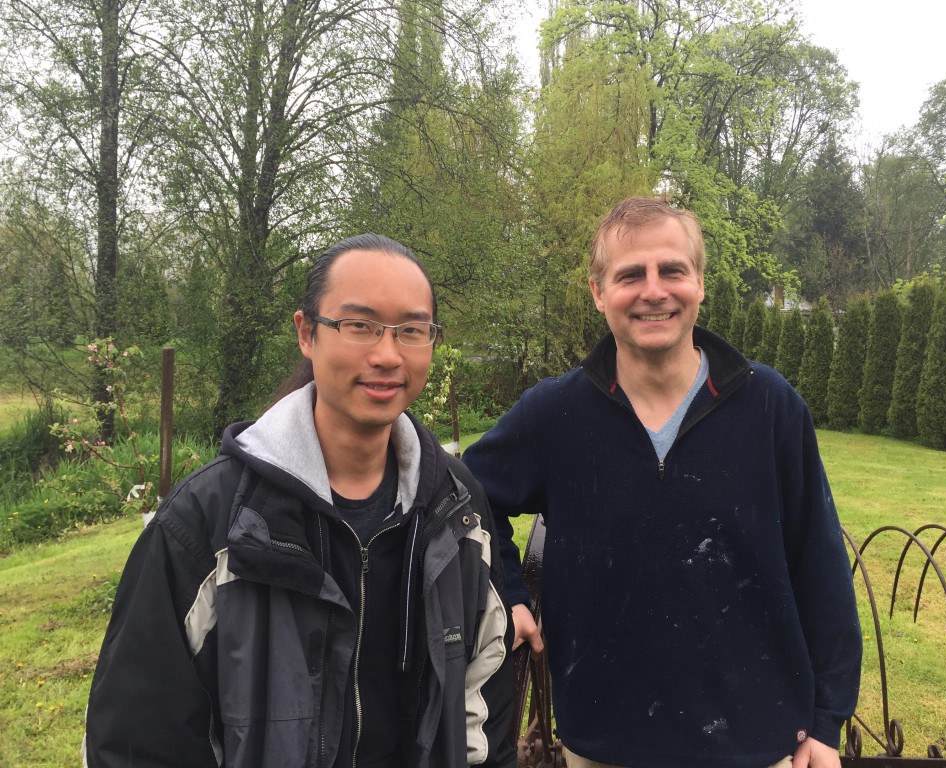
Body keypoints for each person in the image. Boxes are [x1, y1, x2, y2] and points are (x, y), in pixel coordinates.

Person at [84, 234, 516, 768]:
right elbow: (137, 737)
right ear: (306, 333)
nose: (387, 354)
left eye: (411, 330)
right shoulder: (210, 523)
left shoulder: (457, 506)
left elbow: (485, 690)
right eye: (359, 326)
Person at [463, 198, 861, 768]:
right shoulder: (555, 415)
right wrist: (508, 591)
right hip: (604, 743)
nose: (654, 291)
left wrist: (826, 724)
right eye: (630, 275)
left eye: (672, 270)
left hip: (758, 742)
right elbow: (468, 494)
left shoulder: (771, 408)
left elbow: (820, 566)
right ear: (599, 293)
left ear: (700, 284)